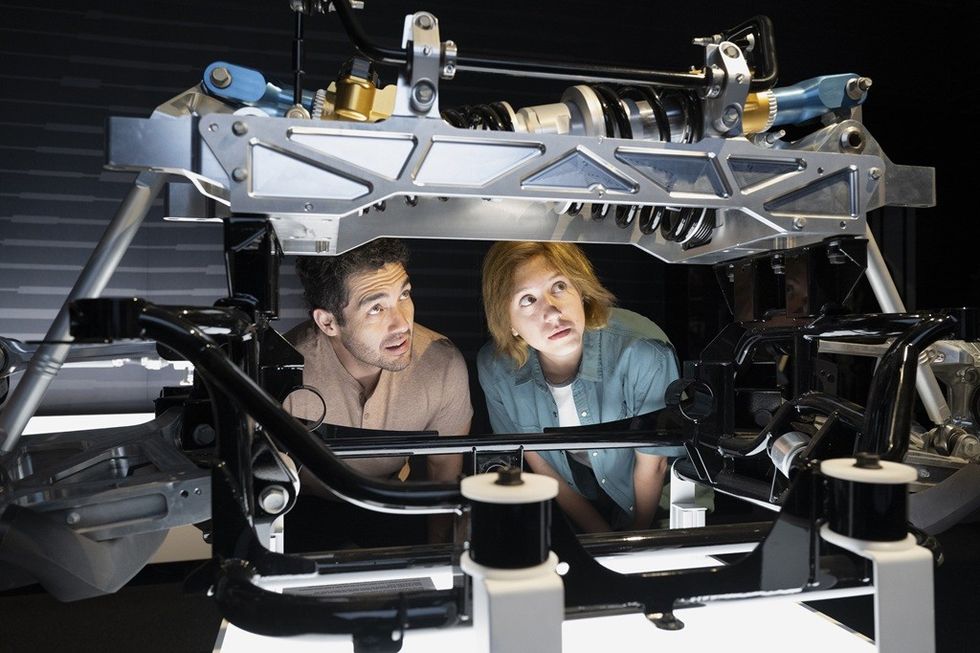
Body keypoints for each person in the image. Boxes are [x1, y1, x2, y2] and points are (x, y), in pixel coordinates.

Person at [477, 241, 678, 533]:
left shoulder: (642, 351)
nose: (553, 313)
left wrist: (633, 542)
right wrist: (597, 533)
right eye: (528, 300)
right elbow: (536, 459)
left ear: (580, 290)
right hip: (578, 489)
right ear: (509, 324)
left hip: (660, 491)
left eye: (558, 286)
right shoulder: (496, 369)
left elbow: (654, 465)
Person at [283, 238, 472, 546]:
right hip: (301, 506)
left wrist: (439, 554)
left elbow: (444, 475)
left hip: (394, 500)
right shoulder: (280, 368)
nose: (402, 323)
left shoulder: (441, 363)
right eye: (376, 308)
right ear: (328, 322)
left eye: (404, 295)